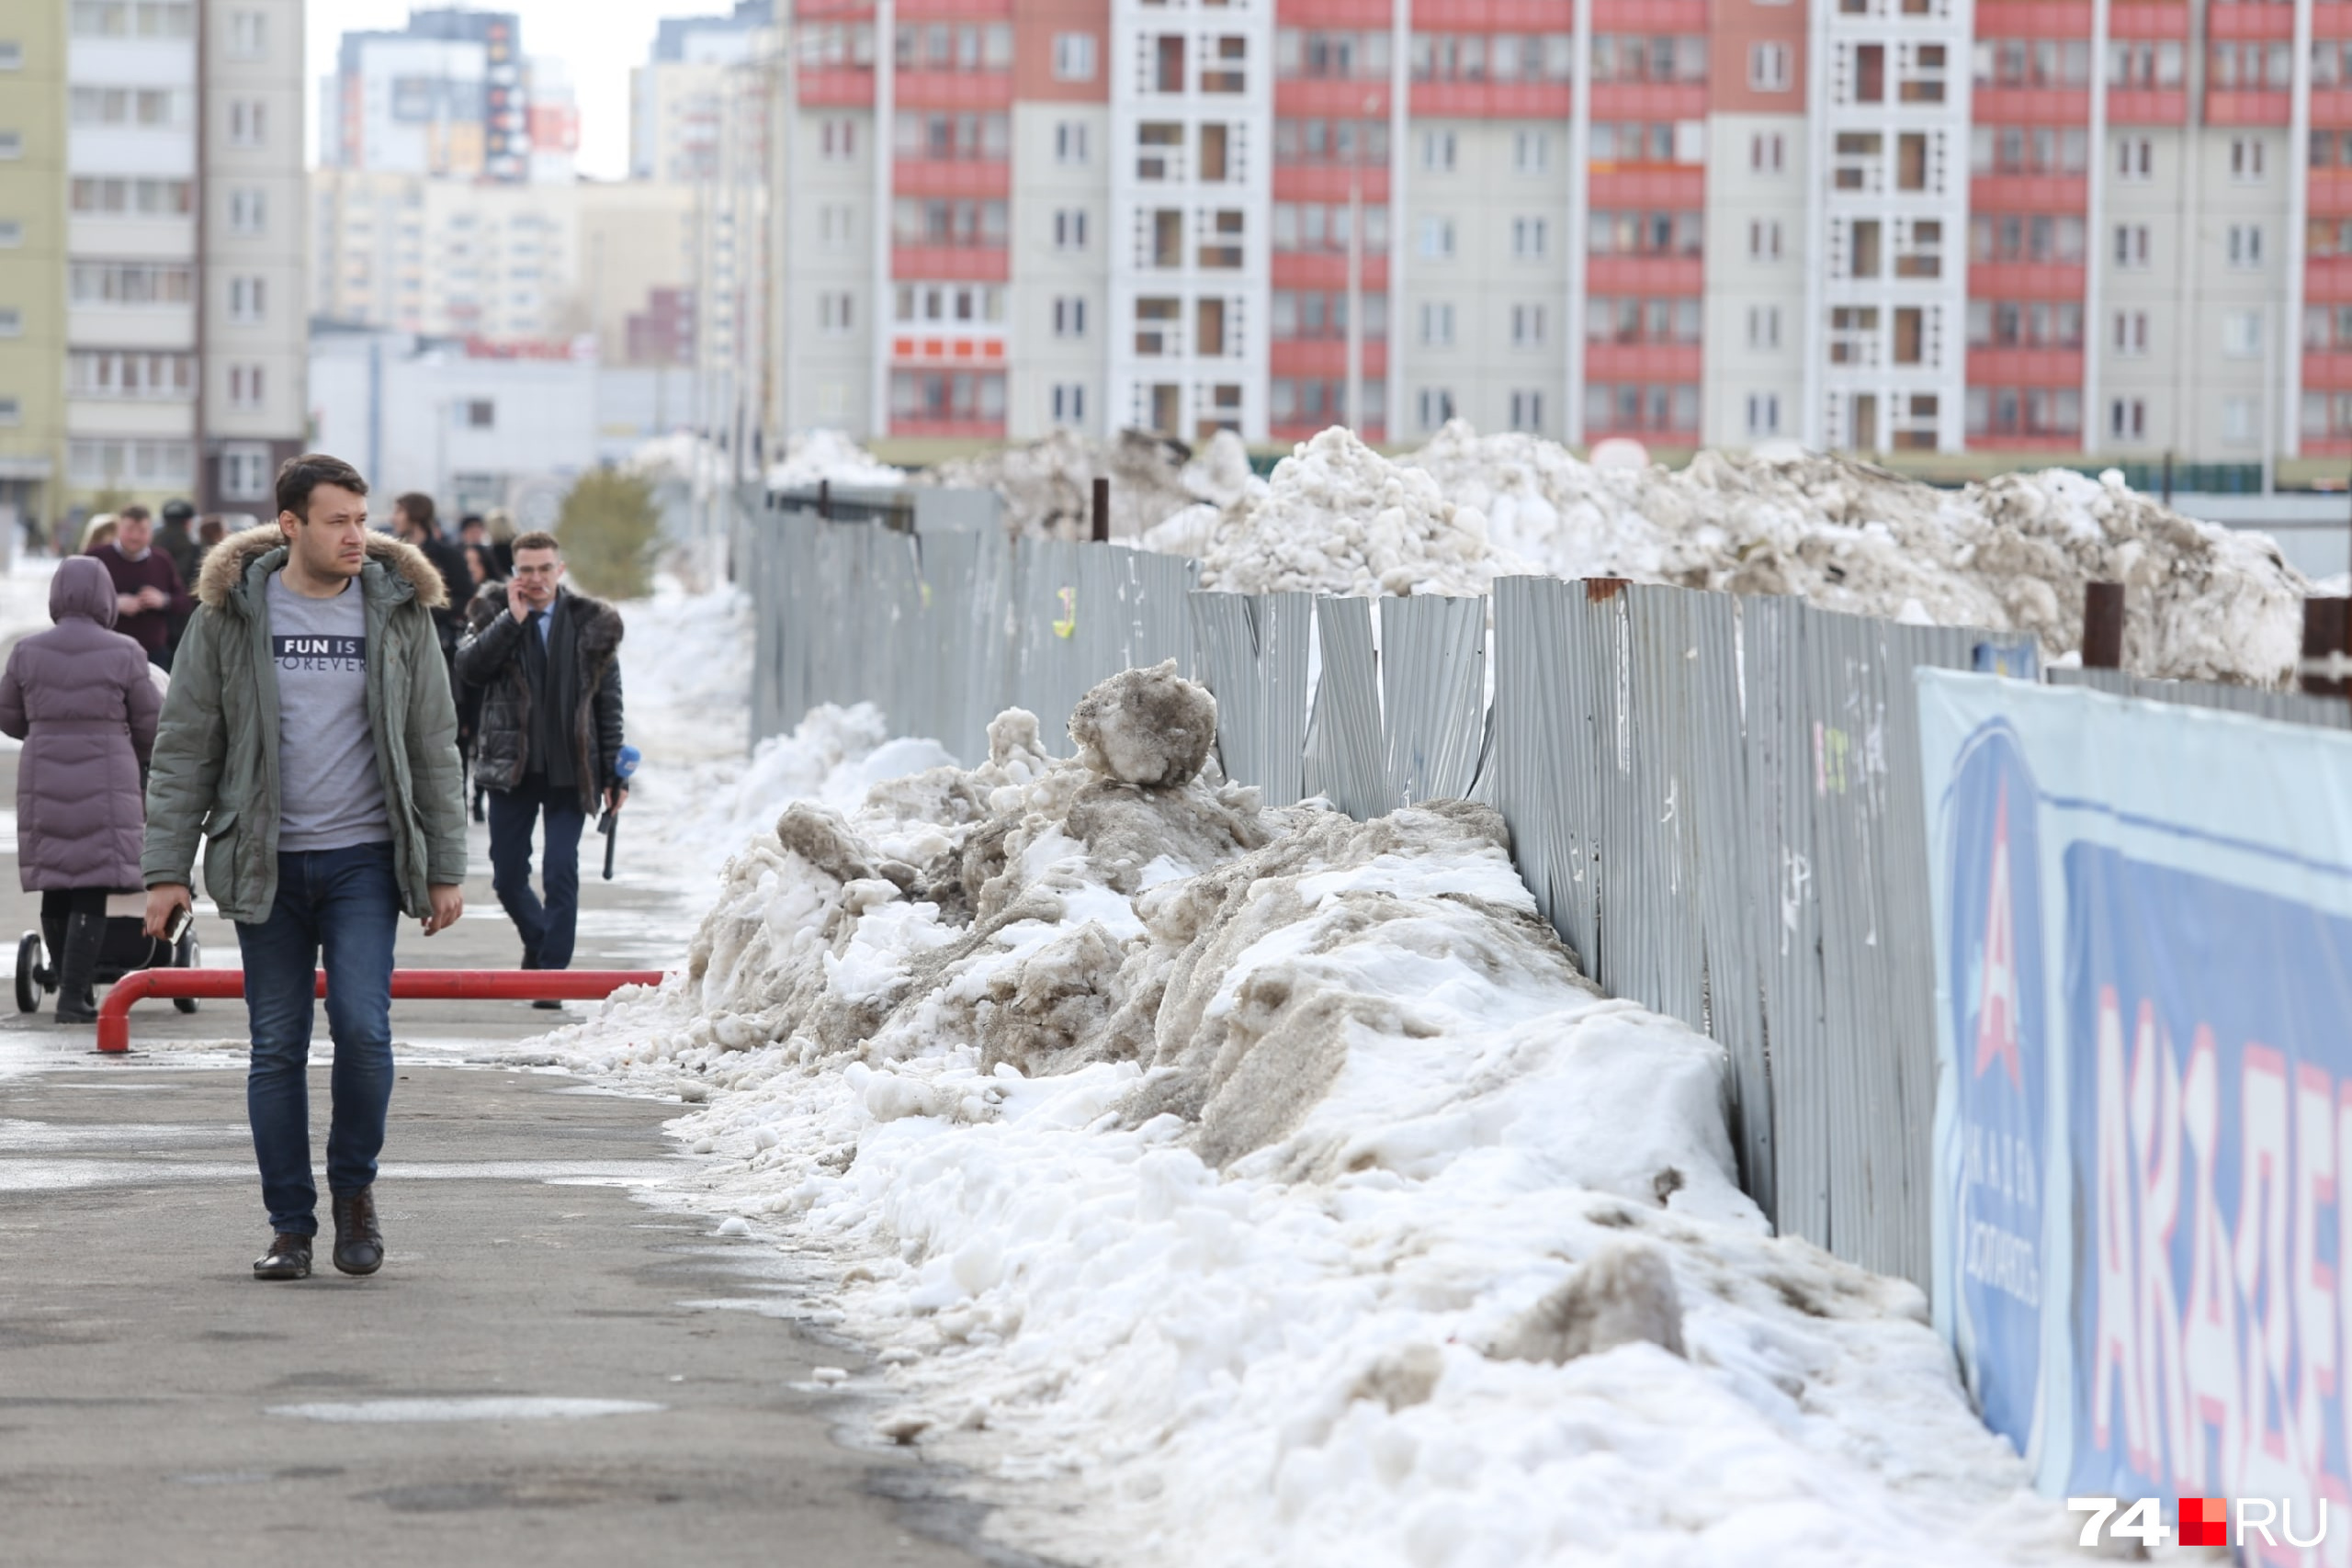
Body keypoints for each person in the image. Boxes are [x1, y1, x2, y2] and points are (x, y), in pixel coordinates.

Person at [142, 453, 468, 1283]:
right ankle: (291, 1225)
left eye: (362, 519)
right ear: (290, 525)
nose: (357, 535)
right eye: (338, 521)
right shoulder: (229, 618)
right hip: (266, 863)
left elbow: (434, 743)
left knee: (363, 1028)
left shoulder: (398, 614)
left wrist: (444, 865)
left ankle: (355, 1191)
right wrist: (166, 869)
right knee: (275, 1046)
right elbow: (186, 747)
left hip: (364, 859)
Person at [455, 530, 625, 1005]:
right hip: (512, 769)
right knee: (508, 877)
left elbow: (608, 703)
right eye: (525, 570)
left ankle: (550, 977)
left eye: (544, 569)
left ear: (560, 570)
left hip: (573, 770)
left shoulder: (593, 624)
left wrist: (615, 774)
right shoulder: (491, 613)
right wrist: (512, 620)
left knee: (560, 870)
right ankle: (542, 943)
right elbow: (469, 669)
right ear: (514, 574)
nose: (535, 579)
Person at [0, 558, 163, 1023]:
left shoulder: (27, 650)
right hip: (107, 774)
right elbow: (150, 722)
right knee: (93, 882)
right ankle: (75, 994)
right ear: (105, 598)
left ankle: (65, 984)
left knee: (57, 880)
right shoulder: (126, 651)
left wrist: (44, 730)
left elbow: (8, 714)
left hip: (43, 771)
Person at [92, 505, 194, 670]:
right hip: (105, 653)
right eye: (129, 529)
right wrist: (113, 604)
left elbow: (184, 602)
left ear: (151, 532)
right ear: (119, 529)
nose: (135, 536)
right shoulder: (96, 557)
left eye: (142, 530)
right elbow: (74, 601)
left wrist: (163, 600)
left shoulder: (162, 560)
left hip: (152, 656)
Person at [391, 492, 469, 659]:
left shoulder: (448, 555)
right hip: (396, 643)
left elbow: (464, 594)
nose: (393, 518)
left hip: (436, 643)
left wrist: (430, 613)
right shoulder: (390, 556)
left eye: (399, 511)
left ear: (415, 513)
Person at [155, 501, 202, 666]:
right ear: (188, 523)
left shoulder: (149, 548)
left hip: (154, 627)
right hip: (185, 625)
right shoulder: (196, 550)